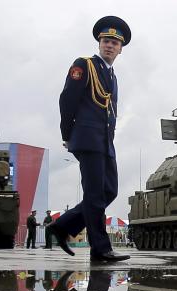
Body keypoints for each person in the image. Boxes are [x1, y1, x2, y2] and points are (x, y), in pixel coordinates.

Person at [46, 15, 132, 263]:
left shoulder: (112, 76)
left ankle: (62, 226)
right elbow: (67, 100)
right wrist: (67, 134)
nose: (109, 46)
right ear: (99, 42)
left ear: (120, 49)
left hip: (105, 141)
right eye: (106, 40)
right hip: (86, 138)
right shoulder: (84, 65)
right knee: (95, 194)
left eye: (115, 43)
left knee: (109, 191)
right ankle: (100, 249)